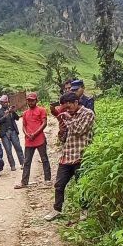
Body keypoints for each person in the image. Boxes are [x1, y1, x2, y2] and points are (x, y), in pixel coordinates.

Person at [44, 92, 95, 221]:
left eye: (69, 106)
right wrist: (61, 131)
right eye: (65, 107)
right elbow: (63, 138)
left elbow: (79, 130)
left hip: (81, 156)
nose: (67, 110)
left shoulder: (88, 114)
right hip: (66, 156)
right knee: (59, 185)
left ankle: (84, 211)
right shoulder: (68, 116)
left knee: (81, 185)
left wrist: (67, 118)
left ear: (76, 102)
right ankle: (57, 209)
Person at [15, 92, 51, 189]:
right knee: (26, 161)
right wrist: (27, 134)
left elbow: (44, 123)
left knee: (44, 159)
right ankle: (24, 182)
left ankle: (48, 179)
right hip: (29, 140)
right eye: (28, 100)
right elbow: (24, 126)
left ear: (36, 101)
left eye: (32, 100)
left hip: (39, 139)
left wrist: (35, 134)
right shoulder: (25, 113)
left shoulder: (41, 110)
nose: (30, 102)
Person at [0, 95, 24, 171]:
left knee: (18, 147)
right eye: (4, 102)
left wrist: (13, 112)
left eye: (7, 102)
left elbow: (17, 118)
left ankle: (23, 163)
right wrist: (4, 116)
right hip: (4, 133)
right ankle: (12, 165)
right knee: (8, 150)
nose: (6, 103)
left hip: (13, 131)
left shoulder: (10, 110)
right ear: (1, 103)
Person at [50, 79, 73, 144]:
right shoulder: (63, 100)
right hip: (65, 130)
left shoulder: (78, 100)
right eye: (66, 88)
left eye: (69, 88)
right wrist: (53, 109)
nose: (68, 90)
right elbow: (58, 112)